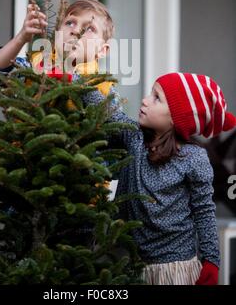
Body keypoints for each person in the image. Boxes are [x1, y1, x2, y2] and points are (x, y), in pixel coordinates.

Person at [84, 72, 236, 285]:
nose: (145, 100)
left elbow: (204, 211)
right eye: (150, 94)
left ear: (176, 117)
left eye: (157, 98)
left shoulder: (194, 158)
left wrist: (211, 260)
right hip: (132, 266)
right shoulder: (134, 139)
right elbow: (109, 112)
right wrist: (74, 80)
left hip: (175, 269)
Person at [0, 0, 115, 98]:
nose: (76, 31)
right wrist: (21, 38)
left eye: (90, 28)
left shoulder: (103, 89)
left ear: (102, 50)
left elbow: (118, 131)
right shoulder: (35, 68)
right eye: (70, 23)